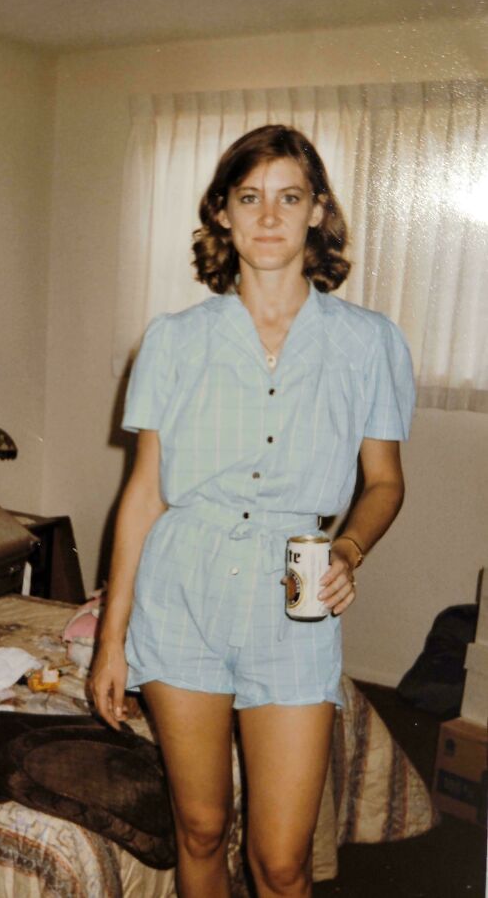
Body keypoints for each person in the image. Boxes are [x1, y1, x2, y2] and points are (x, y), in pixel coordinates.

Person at [89, 125, 415, 898]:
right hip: (182, 594)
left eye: (289, 197)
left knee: (282, 861)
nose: (269, 216)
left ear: (317, 211)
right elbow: (144, 493)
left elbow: (384, 483)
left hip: (294, 599)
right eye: (249, 197)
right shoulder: (173, 341)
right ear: (222, 214)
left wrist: (349, 550)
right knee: (201, 827)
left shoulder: (369, 343)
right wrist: (111, 637)